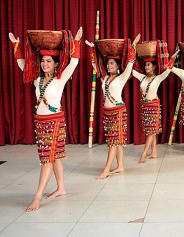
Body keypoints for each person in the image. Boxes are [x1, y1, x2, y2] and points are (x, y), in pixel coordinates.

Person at [9, 27, 82, 211]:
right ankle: (62, 188)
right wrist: (16, 46)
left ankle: (37, 196)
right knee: (54, 156)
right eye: (42, 61)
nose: (44, 64)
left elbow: (73, 62)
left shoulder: (60, 78)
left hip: (54, 121)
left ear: (56, 64)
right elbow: (23, 65)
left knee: (47, 159)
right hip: (40, 123)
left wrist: (77, 43)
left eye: (48, 61)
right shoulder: (37, 79)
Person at [86, 34, 141, 179]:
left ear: (117, 66)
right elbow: (95, 63)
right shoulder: (104, 78)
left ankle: (106, 169)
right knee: (115, 141)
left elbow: (130, 62)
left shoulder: (122, 77)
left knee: (113, 142)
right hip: (107, 112)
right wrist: (93, 49)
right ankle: (120, 165)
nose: (109, 66)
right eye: (108, 63)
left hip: (118, 112)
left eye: (112, 64)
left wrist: (133, 46)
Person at [132, 50, 179, 163]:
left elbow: (167, 71)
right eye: (146, 65)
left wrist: (172, 58)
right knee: (150, 130)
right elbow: (132, 71)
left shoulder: (157, 78)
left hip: (153, 107)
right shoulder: (142, 77)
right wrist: (132, 51)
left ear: (153, 67)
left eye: (149, 65)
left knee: (151, 131)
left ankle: (144, 154)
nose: (147, 67)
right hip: (144, 107)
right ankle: (154, 152)